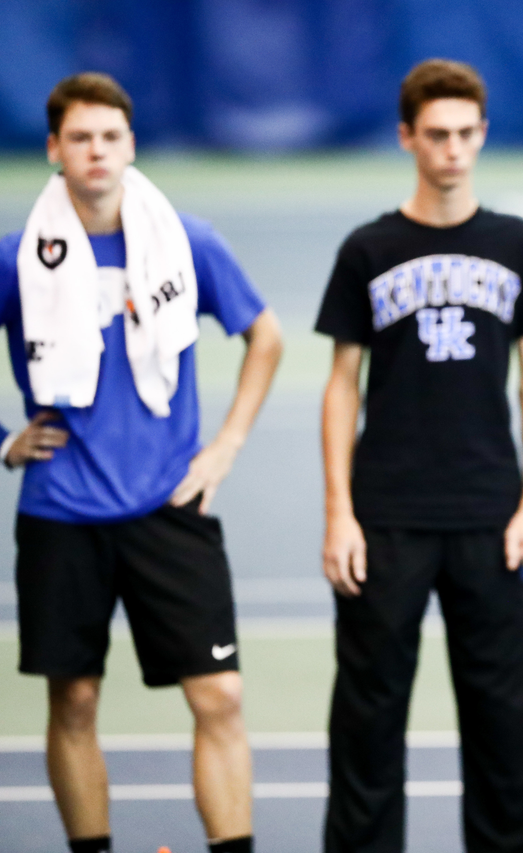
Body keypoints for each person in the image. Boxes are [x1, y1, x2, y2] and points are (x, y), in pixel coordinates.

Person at [2, 73, 282, 853]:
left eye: (111, 136)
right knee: (76, 700)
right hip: (62, 509)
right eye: (81, 137)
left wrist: (224, 444)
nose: (97, 151)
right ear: (55, 149)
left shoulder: (185, 241)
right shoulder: (18, 255)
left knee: (220, 695)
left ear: (130, 145)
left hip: (168, 503)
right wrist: (5, 439)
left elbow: (266, 334)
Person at [315, 58, 523, 853]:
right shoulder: (368, 247)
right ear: (406, 137)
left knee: (501, 721)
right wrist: (339, 515)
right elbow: (339, 387)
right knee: (368, 720)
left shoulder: (516, 243)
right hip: (385, 516)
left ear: (482, 135)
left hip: (490, 517)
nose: (452, 149)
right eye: (436, 135)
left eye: (465, 134)